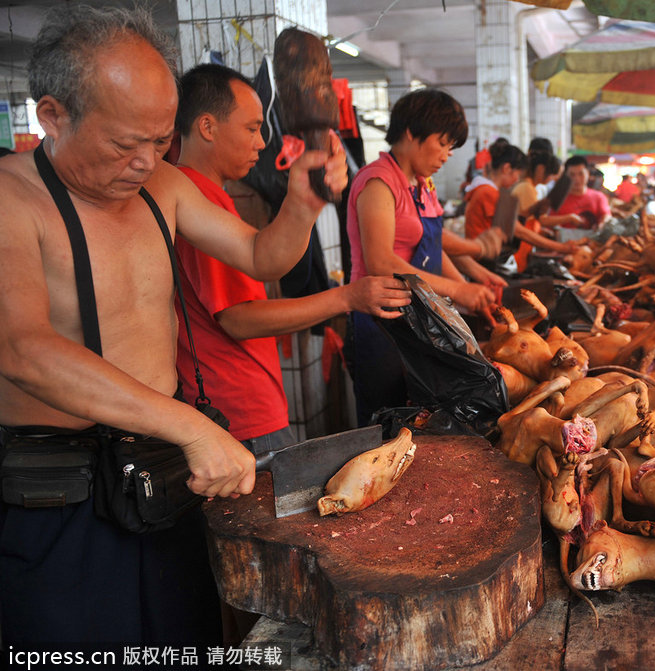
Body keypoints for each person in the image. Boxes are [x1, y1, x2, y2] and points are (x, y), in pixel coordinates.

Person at [0, 5, 346, 646]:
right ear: (52, 116)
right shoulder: (11, 200)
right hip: (59, 488)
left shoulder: (165, 185)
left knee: (184, 639)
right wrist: (189, 425)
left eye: (159, 141)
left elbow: (260, 255)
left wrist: (302, 205)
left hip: (162, 472)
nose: (144, 162)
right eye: (124, 143)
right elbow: (24, 350)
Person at [172, 63, 410, 455]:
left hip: (242, 400)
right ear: (207, 127)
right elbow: (239, 318)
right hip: (236, 410)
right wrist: (347, 297)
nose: (262, 143)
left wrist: (307, 203)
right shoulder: (195, 197)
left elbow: (264, 255)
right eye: (251, 129)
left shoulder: (210, 197)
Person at [345, 88, 497, 425]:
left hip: (417, 319)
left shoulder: (421, 184)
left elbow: (431, 246)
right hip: (380, 322)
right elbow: (382, 263)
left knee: (422, 421)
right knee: (386, 419)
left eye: (451, 147)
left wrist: (468, 291)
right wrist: (458, 291)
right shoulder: (378, 182)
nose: (446, 155)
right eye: (442, 143)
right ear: (412, 133)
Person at [539, 154, 611, 229]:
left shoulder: (599, 196)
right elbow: (545, 220)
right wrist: (569, 218)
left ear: (588, 173)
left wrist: (602, 223)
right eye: (572, 175)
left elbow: (606, 215)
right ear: (566, 176)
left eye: (581, 174)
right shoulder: (558, 198)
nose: (577, 179)